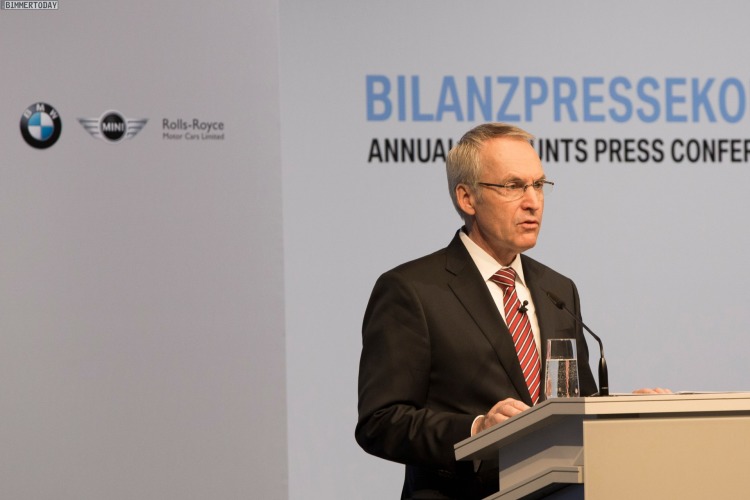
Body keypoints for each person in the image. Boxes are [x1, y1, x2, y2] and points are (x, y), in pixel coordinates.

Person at [356, 123, 599, 499]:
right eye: (513, 186)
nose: (533, 201)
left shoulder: (557, 289)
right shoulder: (411, 291)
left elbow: (577, 403)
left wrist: (626, 414)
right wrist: (476, 430)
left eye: (538, 185)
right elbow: (380, 421)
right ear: (467, 198)